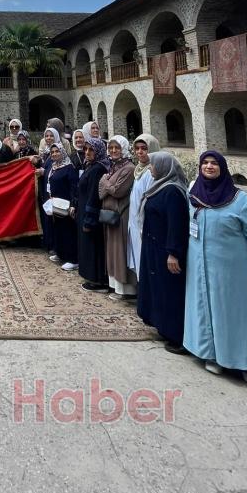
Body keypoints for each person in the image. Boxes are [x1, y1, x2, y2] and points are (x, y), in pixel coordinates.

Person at [183, 151, 247, 384]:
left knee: (238, 315)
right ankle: (211, 356)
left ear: (222, 168)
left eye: (214, 163)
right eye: (205, 163)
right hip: (201, 265)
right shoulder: (193, 196)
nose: (209, 167)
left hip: (234, 269)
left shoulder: (239, 200)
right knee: (207, 310)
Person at [136, 151, 190, 354]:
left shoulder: (173, 192)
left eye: (153, 165)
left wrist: (173, 252)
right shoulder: (159, 186)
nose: (150, 168)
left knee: (170, 291)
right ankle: (162, 326)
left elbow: (177, 225)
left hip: (166, 250)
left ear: (164, 167)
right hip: (154, 246)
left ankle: (176, 334)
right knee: (158, 287)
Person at [99, 136, 137, 300]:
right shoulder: (113, 167)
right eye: (111, 148)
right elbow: (101, 193)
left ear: (123, 149)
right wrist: (108, 185)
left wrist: (106, 182)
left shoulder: (128, 168)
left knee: (120, 250)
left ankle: (126, 290)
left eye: (117, 148)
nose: (113, 151)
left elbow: (119, 191)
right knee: (112, 250)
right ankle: (116, 286)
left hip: (121, 214)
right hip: (109, 213)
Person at [77, 137, 109, 291]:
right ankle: (92, 277)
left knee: (94, 247)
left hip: (91, 214)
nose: (87, 152)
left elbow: (93, 196)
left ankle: (98, 280)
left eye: (91, 150)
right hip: (84, 210)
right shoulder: (91, 166)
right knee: (88, 247)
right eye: (85, 149)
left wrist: (89, 220)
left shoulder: (98, 169)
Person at [127, 133, 159, 278]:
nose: (140, 152)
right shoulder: (139, 169)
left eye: (144, 148)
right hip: (134, 221)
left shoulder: (152, 172)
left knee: (146, 261)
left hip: (144, 224)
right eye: (137, 148)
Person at [45, 141, 79, 271]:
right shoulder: (54, 167)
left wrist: (72, 204)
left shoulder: (69, 168)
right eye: (52, 152)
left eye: (57, 151)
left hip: (66, 205)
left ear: (62, 152)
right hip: (55, 204)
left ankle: (73, 259)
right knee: (58, 230)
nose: (54, 154)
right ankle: (61, 254)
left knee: (68, 231)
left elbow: (74, 187)